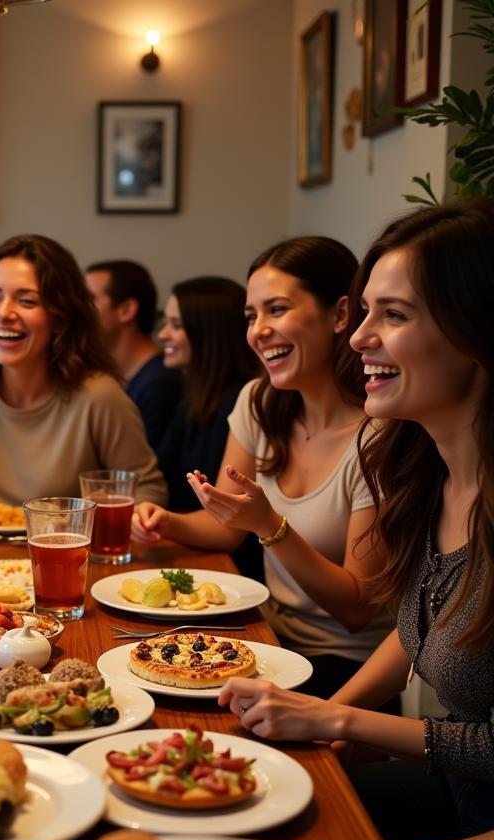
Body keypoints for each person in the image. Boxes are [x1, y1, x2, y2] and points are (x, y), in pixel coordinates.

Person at [215, 200, 494, 840]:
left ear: (476, 332)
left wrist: (336, 721)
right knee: (252, 815)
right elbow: (415, 627)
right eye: (363, 312)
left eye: (392, 315)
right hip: (453, 791)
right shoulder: (433, 475)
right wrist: (317, 717)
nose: (359, 337)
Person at [133, 236, 393, 698]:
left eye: (277, 310)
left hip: (342, 668)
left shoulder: (378, 437)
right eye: (252, 316)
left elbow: (357, 611)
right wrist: (166, 521)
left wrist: (271, 527)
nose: (258, 331)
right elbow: (227, 531)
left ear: (340, 314)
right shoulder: (259, 401)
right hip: (266, 639)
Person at [0, 234, 167, 508]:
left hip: (64, 549)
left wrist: (139, 517)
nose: (4, 313)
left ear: (60, 316)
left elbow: (146, 489)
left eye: (27, 301)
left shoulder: (99, 395)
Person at [153, 277, 261, 510]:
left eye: (177, 325)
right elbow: (159, 476)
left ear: (210, 332)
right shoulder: (194, 399)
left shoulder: (238, 402)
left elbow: (223, 512)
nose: (163, 335)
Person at [85, 259, 182, 450]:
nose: (78, 309)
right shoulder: (113, 377)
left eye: (88, 299)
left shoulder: (160, 383)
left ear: (126, 310)